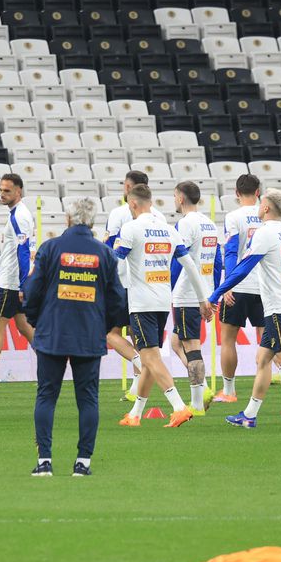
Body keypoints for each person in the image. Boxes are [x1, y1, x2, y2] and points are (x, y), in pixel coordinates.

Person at [23, 198, 127, 476]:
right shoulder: (104, 253)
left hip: (52, 331)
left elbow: (32, 291)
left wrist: (36, 320)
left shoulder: (50, 248)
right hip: (89, 333)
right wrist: (106, 326)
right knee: (88, 398)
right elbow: (118, 298)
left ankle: (44, 460)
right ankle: (83, 462)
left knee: (46, 395)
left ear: (67, 219)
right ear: (92, 222)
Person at [208, 189, 281, 430]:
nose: (258, 207)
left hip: (278, 306)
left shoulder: (264, 233)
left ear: (266, 208)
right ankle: (249, 415)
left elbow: (243, 267)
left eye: (262, 204)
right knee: (263, 358)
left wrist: (216, 294)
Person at [116, 185, 212, 428]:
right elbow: (190, 265)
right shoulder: (169, 229)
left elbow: (116, 264)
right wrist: (202, 299)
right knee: (151, 359)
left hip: (140, 302)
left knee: (149, 357)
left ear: (133, 204)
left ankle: (179, 408)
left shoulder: (130, 229)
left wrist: (115, 289)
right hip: (162, 301)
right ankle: (135, 414)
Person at [105, 169, 163, 398]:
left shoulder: (119, 213)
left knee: (111, 333)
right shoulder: (159, 216)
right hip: (153, 283)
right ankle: (136, 388)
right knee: (139, 337)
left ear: (129, 189)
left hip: (122, 281)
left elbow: (111, 248)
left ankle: (142, 362)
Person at [171, 181, 221, 413]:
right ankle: (203, 389)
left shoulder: (185, 224)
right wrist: (214, 294)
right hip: (205, 290)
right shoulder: (209, 224)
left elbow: (178, 260)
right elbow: (218, 261)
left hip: (188, 293)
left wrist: (170, 289)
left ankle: (198, 402)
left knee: (191, 346)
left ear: (180, 199)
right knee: (175, 342)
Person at [215, 173, 264, 403]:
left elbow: (232, 252)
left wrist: (228, 285)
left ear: (236, 193)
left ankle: (229, 391)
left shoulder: (233, 217)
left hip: (239, 286)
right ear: (258, 192)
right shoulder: (267, 215)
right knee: (268, 340)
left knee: (228, 340)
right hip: (264, 287)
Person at [0, 173, 35, 386]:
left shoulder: (20, 216)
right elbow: (9, 251)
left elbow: (23, 251)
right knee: (23, 326)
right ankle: (52, 363)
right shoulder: (17, 214)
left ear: (18, 191)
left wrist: (23, 285)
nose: (2, 194)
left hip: (10, 283)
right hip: (13, 280)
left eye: (7, 191)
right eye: (1, 190)